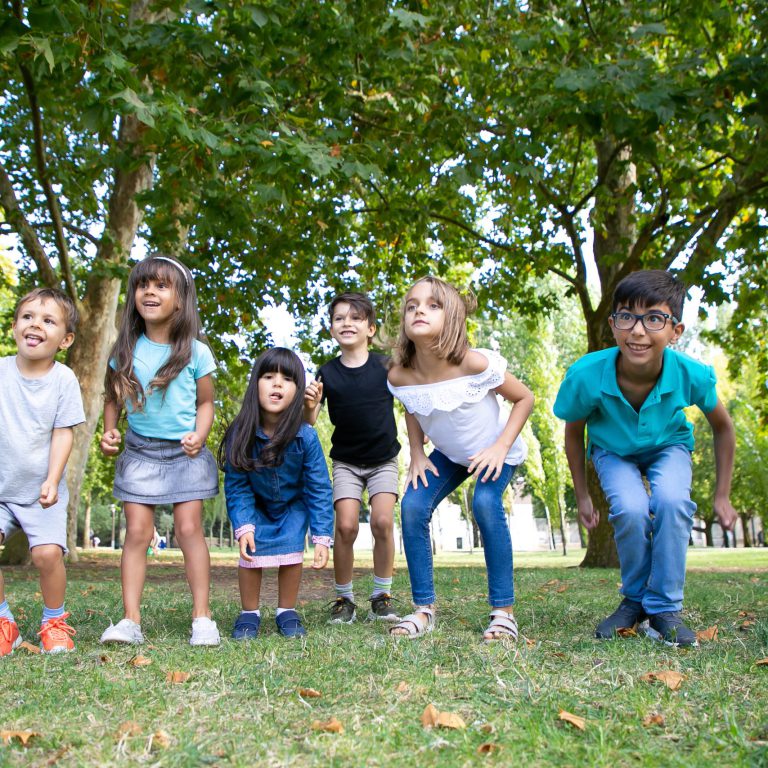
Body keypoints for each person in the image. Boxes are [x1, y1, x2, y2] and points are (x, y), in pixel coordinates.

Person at [554, 270, 737, 647]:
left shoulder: (691, 374)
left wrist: (722, 495)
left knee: (671, 500)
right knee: (632, 509)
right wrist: (584, 496)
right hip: (612, 450)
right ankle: (635, 601)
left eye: (654, 318)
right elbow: (574, 433)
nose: (638, 331)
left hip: (668, 445)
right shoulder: (586, 375)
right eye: (627, 317)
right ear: (613, 323)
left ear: (676, 330)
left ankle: (665, 610)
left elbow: (723, 427)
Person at [387, 276, 534, 641]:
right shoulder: (400, 374)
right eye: (412, 305)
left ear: (452, 318)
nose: (419, 309)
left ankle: (503, 612)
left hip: (495, 449)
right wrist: (417, 453)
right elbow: (412, 407)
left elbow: (525, 398)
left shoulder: (474, 363)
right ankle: (424, 608)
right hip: (450, 455)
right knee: (412, 506)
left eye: (433, 305)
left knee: (484, 502)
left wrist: (500, 447)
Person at [99, 254, 220, 647]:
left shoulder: (197, 352)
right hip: (140, 454)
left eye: (161, 285)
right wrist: (110, 431)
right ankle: (130, 621)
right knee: (137, 532)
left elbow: (206, 403)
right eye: (142, 285)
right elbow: (113, 397)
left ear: (181, 299)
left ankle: (202, 617)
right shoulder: (126, 349)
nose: (149, 291)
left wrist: (200, 435)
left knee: (189, 531)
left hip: (185, 455)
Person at [220, 348, 333, 639]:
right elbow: (236, 484)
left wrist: (321, 537)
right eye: (268, 376)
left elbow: (319, 486)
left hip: (293, 503)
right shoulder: (240, 433)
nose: (277, 383)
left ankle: (286, 610)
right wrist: (243, 523)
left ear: (298, 391)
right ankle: (249, 613)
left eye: (287, 379)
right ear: (255, 384)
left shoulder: (306, 435)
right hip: (255, 502)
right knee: (250, 551)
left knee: (292, 548)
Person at [304, 292, 401, 624]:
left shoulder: (386, 366)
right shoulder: (326, 372)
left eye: (355, 318)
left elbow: (411, 397)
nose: (347, 323)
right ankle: (344, 599)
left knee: (382, 522)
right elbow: (309, 420)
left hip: (383, 459)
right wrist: (310, 401)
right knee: (345, 526)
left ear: (370, 328)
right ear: (331, 328)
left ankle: (381, 595)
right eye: (339, 318)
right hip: (346, 461)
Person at [0, 288, 84, 655]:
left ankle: (54, 620)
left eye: (48, 320)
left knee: (47, 555)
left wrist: (52, 480)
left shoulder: (63, 380)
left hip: (41, 492)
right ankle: (5, 623)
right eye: (28, 316)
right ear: (16, 326)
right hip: (2, 489)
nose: (36, 324)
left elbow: (63, 433)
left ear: (65, 340)